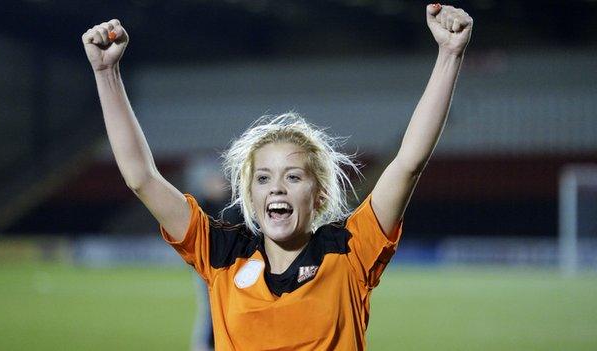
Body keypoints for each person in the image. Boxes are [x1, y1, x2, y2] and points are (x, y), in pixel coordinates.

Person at [81, 3, 472, 350]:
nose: (277, 188)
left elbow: (408, 163)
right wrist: (106, 71)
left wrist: (449, 54)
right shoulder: (221, 252)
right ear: (250, 195)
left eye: (293, 177)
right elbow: (141, 178)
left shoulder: (352, 252)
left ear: (319, 195)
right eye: (263, 178)